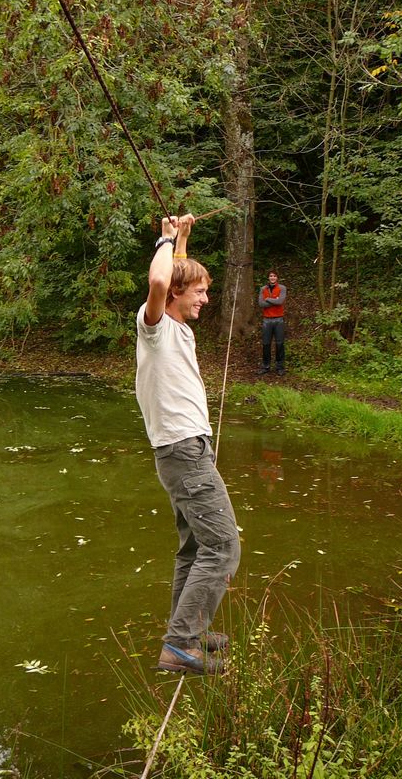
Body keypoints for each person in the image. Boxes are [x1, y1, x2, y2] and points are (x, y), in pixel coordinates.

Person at [135, 214, 241, 675]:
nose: (205, 297)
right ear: (176, 295)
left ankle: (187, 631)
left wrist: (182, 238)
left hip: (187, 449)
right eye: (199, 291)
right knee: (223, 546)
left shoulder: (176, 325)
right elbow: (161, 278)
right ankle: (180, 646)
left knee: (195, 549)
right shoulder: (153, 324)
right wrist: (163, 236)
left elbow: (173, 272)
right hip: (184, 451)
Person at [258, 270, 286, 375]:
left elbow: (280, 302)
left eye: (274, 276)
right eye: (270, 276)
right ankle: (266, 366)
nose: (272, 277)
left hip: (279, 319)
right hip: (267, 319)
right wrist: (274, 300)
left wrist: (268, 299)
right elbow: (261, 303)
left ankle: (280, 367)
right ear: (268, 278)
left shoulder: (282, 288)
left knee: (279, 343)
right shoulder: (263, 289)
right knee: (266, 343)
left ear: (277, 277)